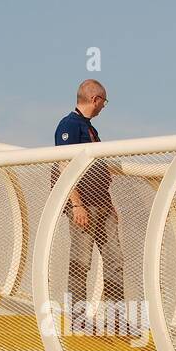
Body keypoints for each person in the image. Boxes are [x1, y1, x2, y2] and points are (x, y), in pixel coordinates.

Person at [54, 79, 123, 333]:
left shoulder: (90, 129)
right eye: (104, 102)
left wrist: (109, 203)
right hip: (83, 205)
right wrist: (76, 205)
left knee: (115, 259)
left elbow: (97, 170)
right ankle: (78, 319)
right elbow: (65, 166)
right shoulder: (69, 125)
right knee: (81, 261)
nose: (104, 107)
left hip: (101, 204)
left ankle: (117, 319)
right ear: (95, 99)